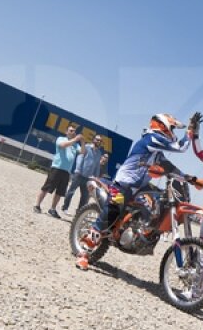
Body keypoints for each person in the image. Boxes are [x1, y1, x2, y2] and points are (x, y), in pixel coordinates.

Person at [75, 113, 193, 271]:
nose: (173, 132)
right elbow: (181, 147)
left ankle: (142, 232)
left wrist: (189, 179)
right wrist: (191, 131)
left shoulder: (156, 152)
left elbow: (169, 168)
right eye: (172, 128)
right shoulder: (150, 140)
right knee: (112, 211)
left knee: (158, 203)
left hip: (141, 186)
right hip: (124, 184)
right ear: (162, 126)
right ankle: (84, 252)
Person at [34, 124, 82, 218]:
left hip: (66, 171)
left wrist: (82, 142)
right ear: (66, 132)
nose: (73, 132)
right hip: (56, 168)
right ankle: (37, 205)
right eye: (71, 130)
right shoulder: (61, 139)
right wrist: (75, 139)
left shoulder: (76, 145)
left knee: (60, 192)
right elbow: (63, 145)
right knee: (46, 188)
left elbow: (83, 152)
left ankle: (52, 209)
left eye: (74, 131)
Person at [61, 135, 104, 214]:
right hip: (79, 175)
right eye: (97, 140)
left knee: (84, 197)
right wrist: (78, 170)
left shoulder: (99, 153)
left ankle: (79, 213)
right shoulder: (86, 147)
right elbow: (80, 157)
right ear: (93, 139)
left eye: (100, 141)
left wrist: (96, 177)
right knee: (71, 192)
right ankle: (65, 208)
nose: (99, 142)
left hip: (88, 178)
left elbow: (97, 166)